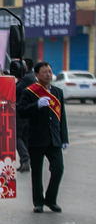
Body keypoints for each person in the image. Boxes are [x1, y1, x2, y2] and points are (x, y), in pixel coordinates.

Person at [17, 61, 69, 213]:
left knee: (58, 169)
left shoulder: (58, 92)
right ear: (37, 75)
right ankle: (38, 202)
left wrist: (64, 138)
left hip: (54, 139)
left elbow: (62, 117)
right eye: (45, 72)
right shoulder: (30, 92)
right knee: (37, 173)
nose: (48, 74)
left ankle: (51, 200)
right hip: (37, 138)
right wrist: (37, 105)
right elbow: (21, 111)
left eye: (50, 71)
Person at [15, 57, 36, 172]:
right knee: (24, 137)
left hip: (22, 112)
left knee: (17, 136)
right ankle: (25, 161)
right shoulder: (31, 77)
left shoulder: (27, 78)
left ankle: (25, 157)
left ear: (25, 66)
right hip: (29, 112)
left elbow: (14, 89)